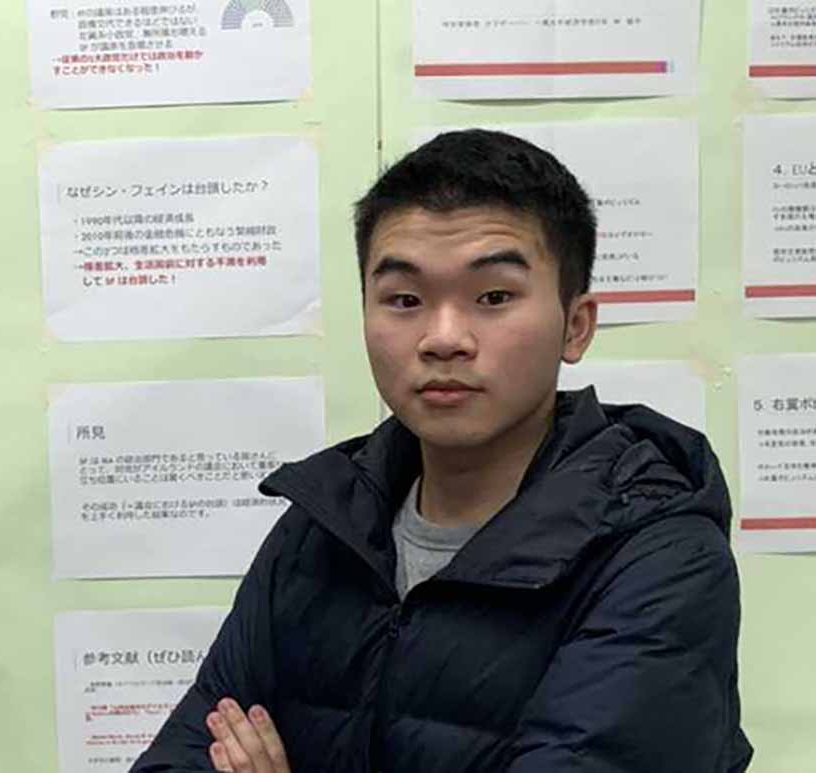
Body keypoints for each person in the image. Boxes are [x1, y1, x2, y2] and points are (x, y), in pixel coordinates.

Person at [131, 129, 753, 772]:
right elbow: (183, 755)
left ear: (576, 326)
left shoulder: (657, 557)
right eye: (405, 300)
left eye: (493, 297)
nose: (444, 338)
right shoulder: (323, 526)